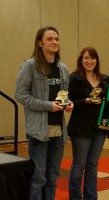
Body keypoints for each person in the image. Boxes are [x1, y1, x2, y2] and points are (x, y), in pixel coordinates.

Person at [15, 26, 73, 200]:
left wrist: (67, 103)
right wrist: (48, 105)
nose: (55, 42)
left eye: (57, 38)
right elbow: (21, 95)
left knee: (53, 177)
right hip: (39, 132)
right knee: (38, 178)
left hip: (59, 131)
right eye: (50, 39)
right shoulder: (30, 66)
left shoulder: (62, 68)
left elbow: (63, 94)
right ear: (40, 43)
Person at [67, 46, 109, 199]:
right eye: (86, 58)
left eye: (92, 58)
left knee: (93, 165)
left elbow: (108, 99)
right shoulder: (74, 78)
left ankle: (91, 197)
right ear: (81, 60)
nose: (89, 61)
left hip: (100, 127)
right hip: (81, 127)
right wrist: (86, 101)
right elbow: (69, 101)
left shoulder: (104, 78)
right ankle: (75, 197)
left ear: (97, 60)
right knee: (79, 165)